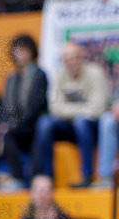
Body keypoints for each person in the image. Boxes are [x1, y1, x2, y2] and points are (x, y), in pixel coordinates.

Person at [33, 42, 109, 187]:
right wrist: (82, 108)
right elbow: (55, 109)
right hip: (69, 126)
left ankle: (86, 175)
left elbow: (98, 109)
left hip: (93, 127)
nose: (73, 61)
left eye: (76, 57)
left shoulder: (95, 73)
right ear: (63, 61)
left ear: (83, 57)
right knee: (44, 122)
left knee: (81, 122)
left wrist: (71, 110)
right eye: (68, 58)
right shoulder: (58, 76)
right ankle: (48, 177)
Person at [0, 35, 49, 189]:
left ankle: (36, 179)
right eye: (17, 51)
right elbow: (4, 105)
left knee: (39, 129)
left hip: (33, 123)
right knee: (5, 132)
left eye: (23, 50)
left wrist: (19, 124)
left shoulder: (39, 75)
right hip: (16, 125)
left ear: (32, 52)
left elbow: (37, 105)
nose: (20, 54)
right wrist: (6, 122)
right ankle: (16, 178)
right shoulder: (11, 78)